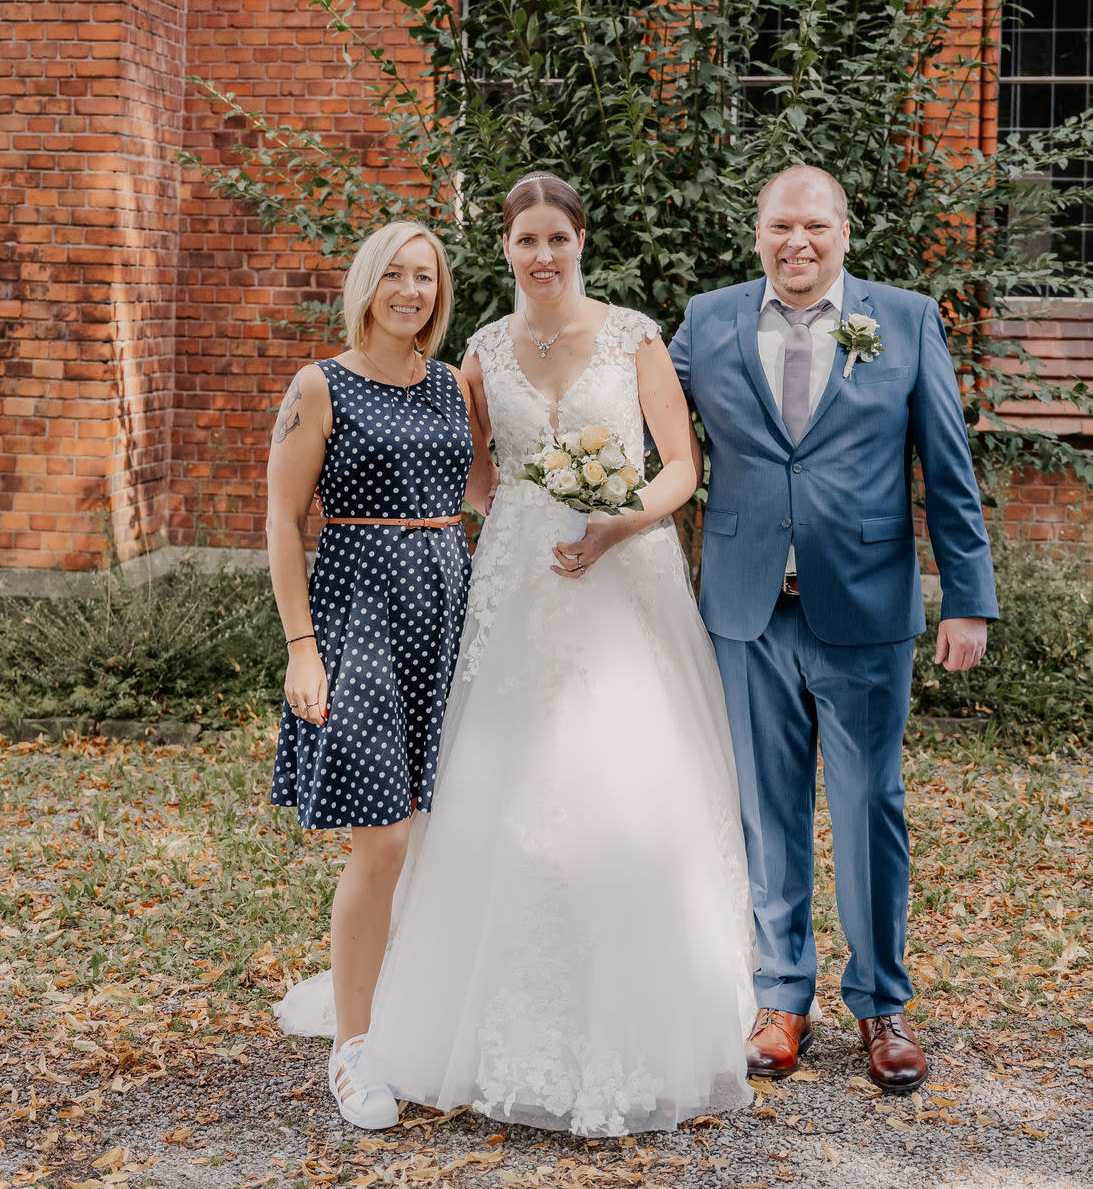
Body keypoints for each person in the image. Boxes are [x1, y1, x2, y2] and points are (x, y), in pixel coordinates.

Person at [274, 173, 757, 1137]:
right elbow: (470, 467)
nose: (542, 254)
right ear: (504, 248)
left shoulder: (634, 337)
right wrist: (516, 516)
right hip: (509, 587)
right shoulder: (480, 354)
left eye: (557, 239)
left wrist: (617, 520)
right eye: (525, 239)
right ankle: (448, 1007)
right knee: (489, 788)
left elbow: (681, 465)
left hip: (621, 580)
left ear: (580, 242)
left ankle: (637, 1005)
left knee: (621, 783)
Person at [669, 164, 997, 1094]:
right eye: (781, 226)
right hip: (746, 610)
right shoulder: (708, 321)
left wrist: (966, 597)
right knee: (766, 813)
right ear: (758, 233)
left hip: (865, 607)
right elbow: (638, 418)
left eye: (815, 226)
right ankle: (781, 998)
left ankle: (882, 1005)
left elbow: (948, 466)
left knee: (868, 808)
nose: (797, 242)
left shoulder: (907, 320)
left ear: (844, 234)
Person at [265, 220, 492, 1129]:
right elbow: (282, 521)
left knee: (445, 830)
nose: (410, 290)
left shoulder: (450, 384)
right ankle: (354, 1048)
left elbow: (483, 491)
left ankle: (422, 1009)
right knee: (384, 838)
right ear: (367, 284)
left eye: (425, 277)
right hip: (357, 613)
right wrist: (301, 646)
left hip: (448, 607)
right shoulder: (320, 385)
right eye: (394, 274)